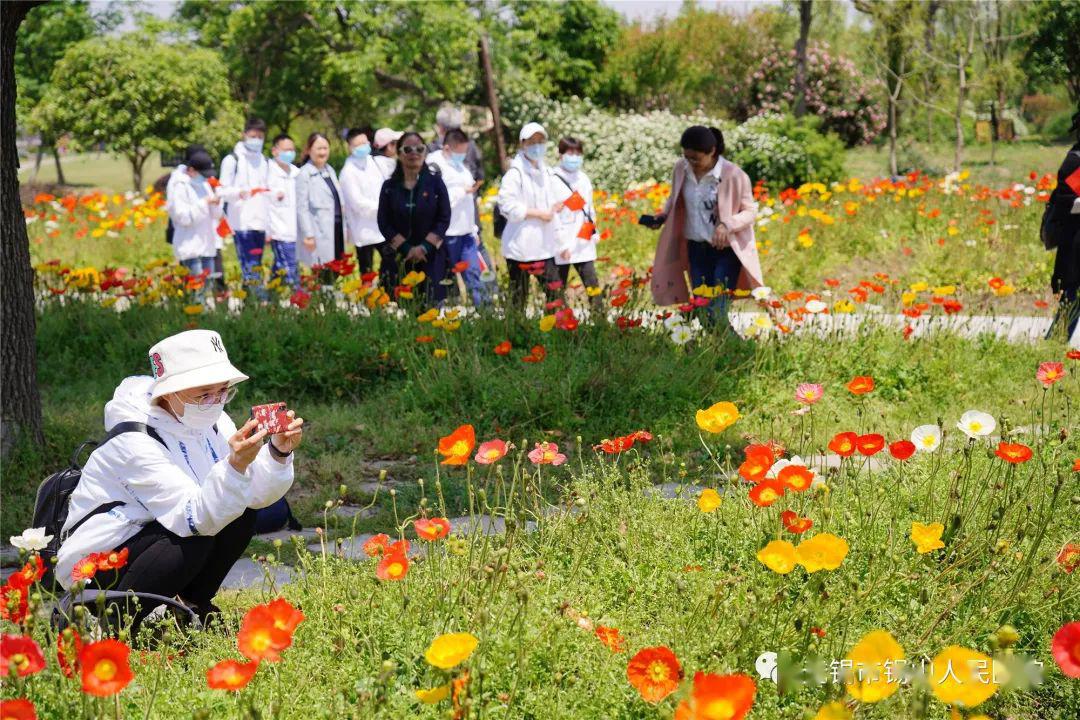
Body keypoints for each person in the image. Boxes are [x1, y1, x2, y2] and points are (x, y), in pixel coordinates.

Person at [55, 329, 303, 626]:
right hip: (99, 561)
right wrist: (234, 465)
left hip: (159, 535)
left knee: (240, 512)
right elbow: (194, 517)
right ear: (169, 393)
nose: (216, 401)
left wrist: (277, 453)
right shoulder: (134, 440)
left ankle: (188, 606)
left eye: (223, 391)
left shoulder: (211, 419)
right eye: (204, 394)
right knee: (195, 536)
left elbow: (252, 494)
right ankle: (107, 620)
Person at [650, 125, 763, 325]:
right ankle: (717, 351)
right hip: (696, 249)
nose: (691, 162)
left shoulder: (734, 175)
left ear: (712, 152)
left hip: (725, 252)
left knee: (717, 311)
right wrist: (663, 215)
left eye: (696, 158)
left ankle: (736, 350)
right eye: (687, 157)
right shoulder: (681, 169)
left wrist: (727, 225)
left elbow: (751, 212)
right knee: (703, 310)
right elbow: (674, 197)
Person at [428, 104, 498, 300]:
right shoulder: (433, 162)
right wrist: (461, 192)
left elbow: (474, 187)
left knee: (476, 277)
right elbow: (434, 200)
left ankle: (487, 315)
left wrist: (474, 229)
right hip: (446, 234)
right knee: (444, 280)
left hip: (467, 231)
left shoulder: (464, 161)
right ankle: (446, 312)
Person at [377, 131, 451, 304]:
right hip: (399, 259)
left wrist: (424, 247)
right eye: (408, 149)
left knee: (432, 308)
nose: (414, 153)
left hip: (431, 257)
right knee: (402, 309)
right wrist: (406, 249)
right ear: (399, 153)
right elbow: (383, 222)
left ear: (425, 152)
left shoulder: (436, 183)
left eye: (419, 148)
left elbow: (444, 217)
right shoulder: (389, 187)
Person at [496, 122, 563, 310]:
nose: (537, 146)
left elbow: (551, 203)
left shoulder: (547, 172)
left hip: (544, 246)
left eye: (541, 141)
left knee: (555, 297)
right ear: (522, 144)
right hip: (520, 247)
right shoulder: (515, 173)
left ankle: (556, 334)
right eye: (532, 142)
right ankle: (516, 336)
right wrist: (537, 214)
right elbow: (506, 206)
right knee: (518, 299)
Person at [218, 117, 271, 299]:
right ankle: (261, 302)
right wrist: (240, 192)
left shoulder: (264, 160)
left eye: (260, 136)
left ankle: (248, 304)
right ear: (244, 135)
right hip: (241, 221)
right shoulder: (232, 160)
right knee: (249, 264)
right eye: (253, 135)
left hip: (261, 221)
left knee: (255, 264)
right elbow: (222, 190)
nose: (256, 140)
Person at [551, 136, 602, 313]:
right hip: (562, 243)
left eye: (578, 153)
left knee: (592, 285)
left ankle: (600, 321)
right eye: (570, 153)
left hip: (583, 240)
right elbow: (553, 215)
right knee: (557, 290)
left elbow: (589, 209)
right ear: (561, 154)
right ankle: (555, 325)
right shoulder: (553, 178)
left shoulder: (584, 178)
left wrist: (593, 230)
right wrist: (562, 244)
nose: (574, 157)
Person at [165, 150, 222, 303]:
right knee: (196, 290)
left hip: (207, 245)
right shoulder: (180, 186)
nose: (206, 177)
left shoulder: (204, 184)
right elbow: (183, 217)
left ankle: (202, 317)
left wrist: (216, 202)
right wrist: (204, 203)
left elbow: (216, 215)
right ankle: (195, 318)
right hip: (190, 245)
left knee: (206, 287)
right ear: (191, 170)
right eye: (203, 173)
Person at [1044, 111, 1080, 343]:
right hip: (1076, 243)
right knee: (1072, 296)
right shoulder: (1076, 160)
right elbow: (1068, 204)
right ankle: (1052, 350)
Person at [296, 132, 346, 284]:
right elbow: (301, 207)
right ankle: (324, 303)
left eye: (325, 148)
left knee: (335, 267)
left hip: (335, 228)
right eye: (318, 148)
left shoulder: (329, 170)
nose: (322, 152)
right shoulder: (305, 174)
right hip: (318, 230)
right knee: (322, 270)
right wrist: (308, 235)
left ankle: (330, 301)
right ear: (309, 150)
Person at [339, 126, 389, 276]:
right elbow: (357, 203)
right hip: (363, 230)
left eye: (365, 143)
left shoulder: (374, 162)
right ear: (350, 147)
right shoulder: (348, 172)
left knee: (390, 262)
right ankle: (367, 297)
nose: (363, 147)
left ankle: (386, 292)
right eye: (358, 145)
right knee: (366, 270)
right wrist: (382, 208)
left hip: (382, 227)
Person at [266, 134, 300, 289]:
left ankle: (269, 296)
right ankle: (300, 301)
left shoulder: (296, 173)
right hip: (278, 231)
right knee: (290, 269)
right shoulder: (267, 173)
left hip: (295, 231)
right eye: (286, 149)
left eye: (292, 150)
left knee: (280, 267)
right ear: (275, 151)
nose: (289, 153)